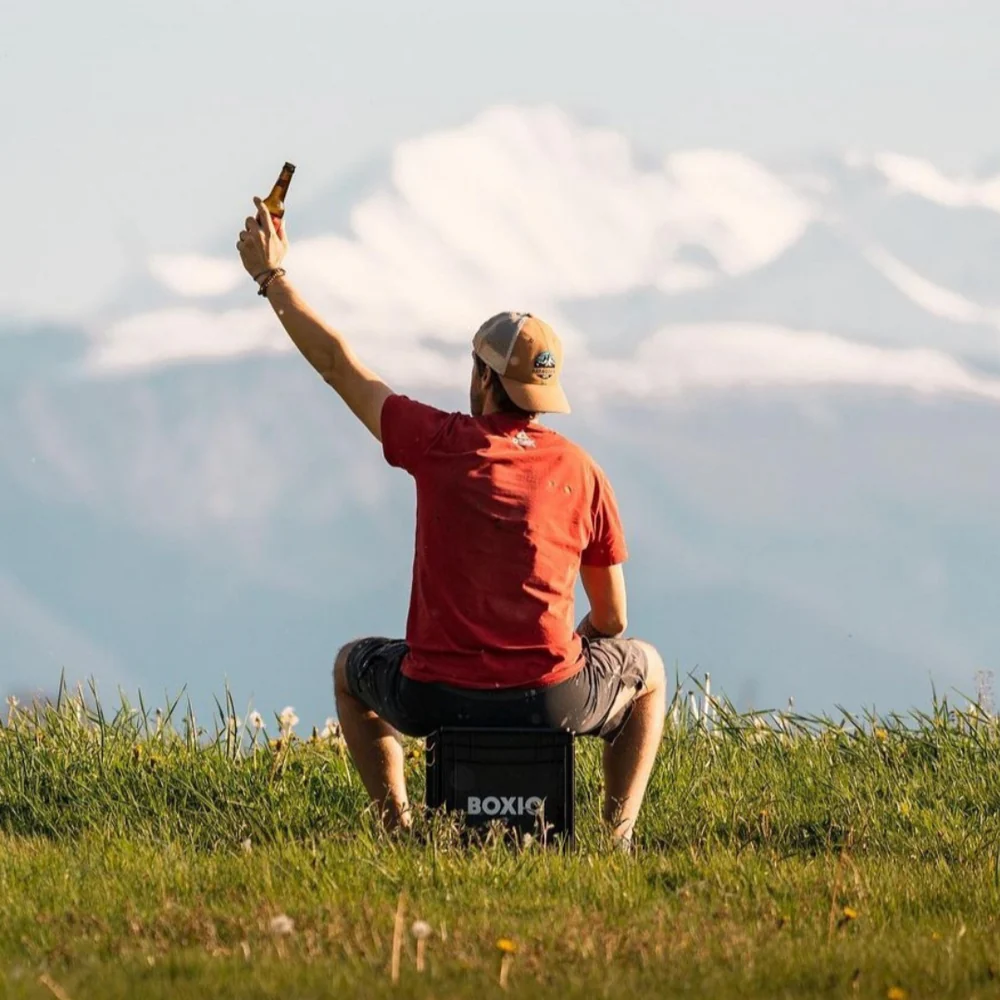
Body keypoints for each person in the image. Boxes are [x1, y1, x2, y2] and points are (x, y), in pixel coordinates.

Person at [236, 197, 666, 846]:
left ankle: (399, 830)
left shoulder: (437, 442)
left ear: (485, 380)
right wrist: (567, 650)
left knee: (349, 669)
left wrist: (273, 277)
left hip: (433, 694)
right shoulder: (582, 471)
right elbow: (613, 621)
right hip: (554, 697)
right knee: (649, 670)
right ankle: (615, 838)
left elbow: (337, 365)